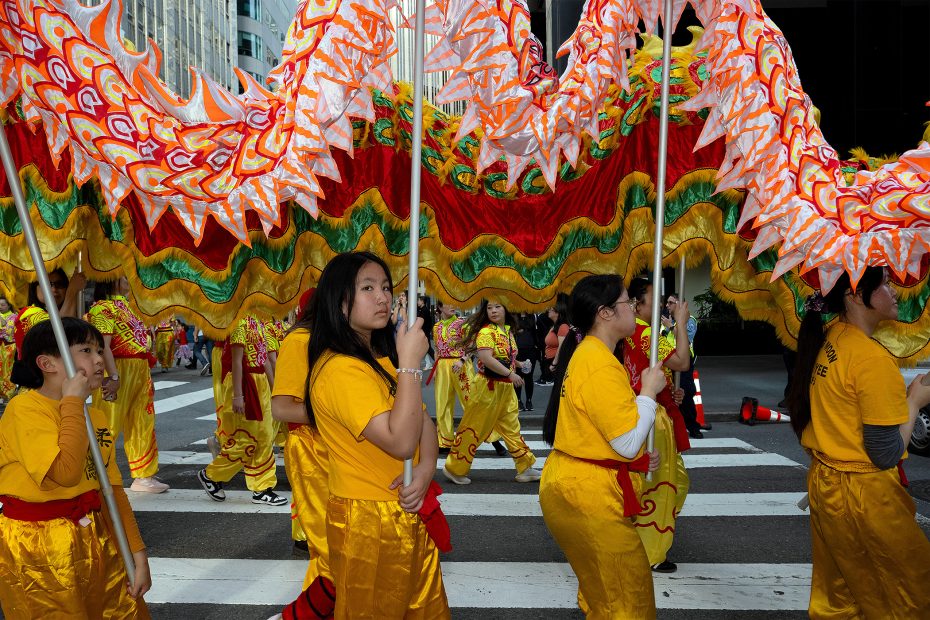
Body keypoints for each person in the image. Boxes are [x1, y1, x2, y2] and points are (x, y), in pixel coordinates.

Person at [305, 252, 449, 616]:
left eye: (386, 287)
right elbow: (401, 441)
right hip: (368, 522)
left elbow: (424, 426)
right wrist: (411, 365)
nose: (383, 297)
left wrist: (426, 469)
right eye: (367, 288)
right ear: (339, 303)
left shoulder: (379, 359)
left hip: (407, 510)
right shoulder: (340, 370)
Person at [787, 267, 930, 618]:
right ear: (853, 295)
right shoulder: (870, 359)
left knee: (841, 594)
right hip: (865, 498)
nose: (894, 290)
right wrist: (915, 400)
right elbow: (885, 454)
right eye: (883, 283)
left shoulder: (830, 336)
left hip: (828, 486)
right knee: (905, 593)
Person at [0, 318, 151, 618]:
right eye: (86, 350)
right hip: (39, 545)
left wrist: (138, 554)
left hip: (95, 536)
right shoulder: (25, 409)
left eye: (99, 350)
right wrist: (71, 401)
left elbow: (112, 490)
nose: (99, 360)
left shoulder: (95, 415)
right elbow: (66, 473)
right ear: (47, 363)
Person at [540, 275, 663, 619]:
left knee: (606, 596)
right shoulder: (597, 362)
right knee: (626, 599)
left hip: (580, 485)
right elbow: (626, 443)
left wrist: (637, 459)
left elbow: (608, 433)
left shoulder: (591, 354)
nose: (635, 310)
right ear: (605, 313)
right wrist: (649, 393)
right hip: (589, 495)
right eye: (628, 303)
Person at [624, 277, 691, 573]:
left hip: (637, 411)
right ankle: (652, 551)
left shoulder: (629, 332)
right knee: (663, 483)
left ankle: (640, 539)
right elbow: (681, 361)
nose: (662, 303)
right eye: (656, 298)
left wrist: (669, 391)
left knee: (655, 480)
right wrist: (680, 322)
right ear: (638, 304)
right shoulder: (647, 332)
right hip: (652, 418)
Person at [271, 288, 333, 589]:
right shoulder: (299, 341)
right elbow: (283, 407)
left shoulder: (327, 340)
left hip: (328, 441)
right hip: (309, 442)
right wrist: (336, 413)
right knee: (326, 536)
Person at [443, 299, 541, 485]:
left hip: (505, 389)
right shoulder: (486, 332)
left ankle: (525, 467)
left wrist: (520, 364)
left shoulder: (507, 331)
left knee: (513, 428)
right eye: (489, 307)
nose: (493, 311)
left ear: (505, 308)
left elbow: (505, 358)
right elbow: (487, 359)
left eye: (497, 306)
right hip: (487, 387)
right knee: (474, 428)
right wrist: (511, 373)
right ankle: (454, 468)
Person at [198, 316, 287, 506]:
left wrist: (275, 391)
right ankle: (211, 475)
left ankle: (262, 488)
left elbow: (264, 361)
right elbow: (236, 362)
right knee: (247, 438)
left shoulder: (260, 323)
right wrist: (238, 395)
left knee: (265, 436)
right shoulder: (239, 323)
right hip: (246, 385)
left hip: (260, 383)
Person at [87, 278, 167, 493]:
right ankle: (95, 474)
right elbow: (103, 346)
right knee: (108, 424)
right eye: (124, 276)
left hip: (139, 368)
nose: (129, 279)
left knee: (142, 421)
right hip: (117, 367)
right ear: (111, 280)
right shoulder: (101, 308)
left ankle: (143, 475)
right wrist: (112, 377)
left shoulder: (131, 306)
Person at [431, 301, 473, 453]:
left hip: (461, 365)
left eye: (454, 303)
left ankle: (491, 438)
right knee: (442, 404)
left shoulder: (463, 323)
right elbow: (437, 348)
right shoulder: (436, 327)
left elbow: (471, 346)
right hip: (442, 366)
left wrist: (462, 360)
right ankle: (445, 441)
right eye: (448, 304)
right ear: (440, 307)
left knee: (471, 403)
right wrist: (435, 369)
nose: (452, 306)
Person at [662, 293, 703, 438]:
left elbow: (687, 337)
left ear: (679, 305)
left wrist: (671, 326)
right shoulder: (665, 321)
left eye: (671, 302)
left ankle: (693, 426)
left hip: (684, 361)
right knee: (669, 394)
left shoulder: (689, 320)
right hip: (668, 360)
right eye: (667, 302)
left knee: (686, 393)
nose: (667, 305)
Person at [539, 295, 569, 386]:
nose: (548, 310)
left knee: (559, 388)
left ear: (558, 312)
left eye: (551, 309)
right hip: (551, 361)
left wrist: (554, 363)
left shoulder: (563, 327)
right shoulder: (554, 326)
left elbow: (562, 347)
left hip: (557, 363)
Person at [514, 312, 539, 411]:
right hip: (517, 351)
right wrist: (521, 329)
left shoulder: (533, 316)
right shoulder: (514, 316)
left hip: (531, 350)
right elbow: (514, 328)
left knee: (529, 377)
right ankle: (519, 401)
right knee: (518, 376)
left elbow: (534, 329)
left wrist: (522, 329)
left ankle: (529, 400)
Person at [0, 295, 16, 403]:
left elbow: (12, 334)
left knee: (7, 371)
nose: (0, 307)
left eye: (3, 304)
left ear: (9, 305)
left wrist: (4, 326)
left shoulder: (14, 317)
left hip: (9, 347)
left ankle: (8, 394)